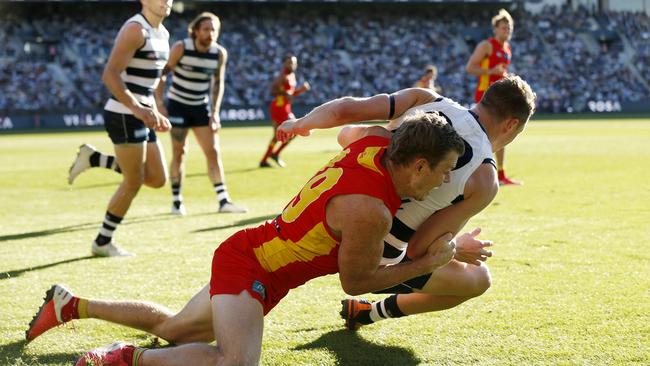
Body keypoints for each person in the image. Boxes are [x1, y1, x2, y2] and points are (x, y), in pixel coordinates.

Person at [27, 111, 467, 366]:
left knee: (174, 329)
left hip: (257, 257)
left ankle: (70, 304)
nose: (446, 179)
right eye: (445, 169)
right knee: (234, 363)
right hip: (252, 266)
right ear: (419, 165)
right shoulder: (370, 211)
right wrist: (427, 265)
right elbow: (356, 282)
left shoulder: (375, 140)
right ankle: (124, 358)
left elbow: (347, 132)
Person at [277, 74, 536, 330]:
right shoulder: (483, 178)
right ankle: (370, 313)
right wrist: (457, 246)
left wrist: (301, 122)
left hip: (335, 212)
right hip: (376, 255)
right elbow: (419, 250)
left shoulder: (424, 99)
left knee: (357, 134)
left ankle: (359, 147)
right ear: (511, 125)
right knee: (479, 280)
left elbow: (344, 109)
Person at [80, 0, 172, 257]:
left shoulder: (163, 34)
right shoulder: (135, 30)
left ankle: (95, 158)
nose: (167, 1)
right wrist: (139, 109)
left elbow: (147, 85)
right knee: (134, 181)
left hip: (142, 114)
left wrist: (155, 112)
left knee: (157, 178)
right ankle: (102, 241)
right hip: (124, 114)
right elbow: (110, 74)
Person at [155, 12, 247, 215]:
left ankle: (224, 201)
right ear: (196, 31)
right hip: (178, 105)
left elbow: (218, 83)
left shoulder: (219, 54)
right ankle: (177, 202)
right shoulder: (181, 48)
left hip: (200, 107)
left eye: (214, 29)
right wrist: (160, 104)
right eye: (206, 29)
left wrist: (215, 112)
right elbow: (162, 74)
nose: (211, 33)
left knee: (213, 152)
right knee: (179, 152)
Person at [466, 8, 521, 186]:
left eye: (509, 28)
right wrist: (490, 71)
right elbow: (470, 68)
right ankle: (473, 172)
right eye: (504, 27)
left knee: (503, 133)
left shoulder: (507, 48)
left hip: (501, 97)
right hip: (485, 97)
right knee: (482, 136)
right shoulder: (487, 45)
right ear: (495, 29)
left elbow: (500, 72)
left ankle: (500, 174)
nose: (507, 31)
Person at [259, 54, 310, 168]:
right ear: (284, 64)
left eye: (294, 63)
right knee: (295, 129)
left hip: (285, 107)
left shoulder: (292, 76)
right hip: (279, 107)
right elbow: (272, 91)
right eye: (289, 62)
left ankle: (266, 159)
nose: (292, 65)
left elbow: (290, 95)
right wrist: (283, 93)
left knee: (279, 135)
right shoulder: (282, 76)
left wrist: (301, 90)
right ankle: (274, 155)